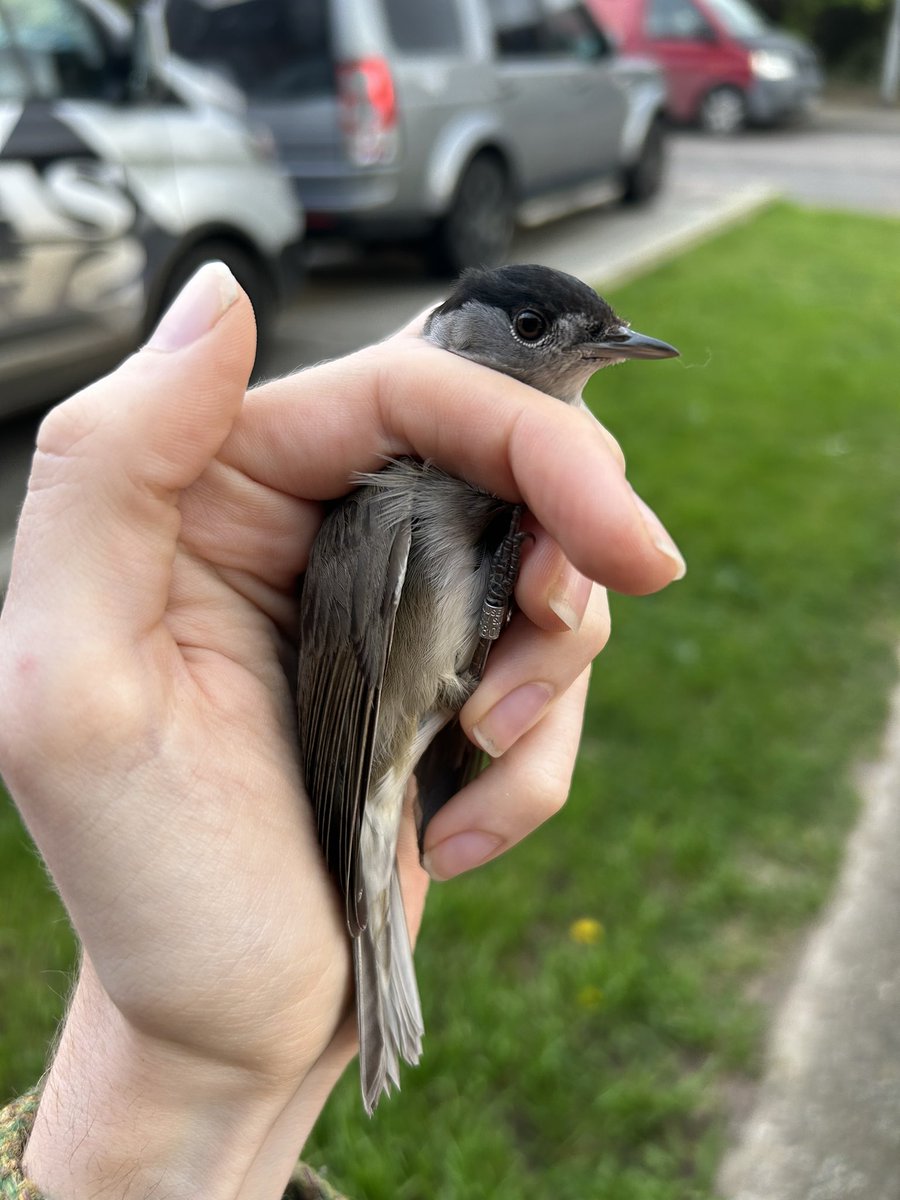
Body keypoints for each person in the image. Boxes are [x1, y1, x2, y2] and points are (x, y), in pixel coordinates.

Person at [0, 263, 685, 1200]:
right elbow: (352, 704)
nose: (577, 348)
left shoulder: (468, 489)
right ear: (461, 338)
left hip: (392, 740)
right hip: (362, 754)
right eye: (534, 327)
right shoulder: (388, 495)